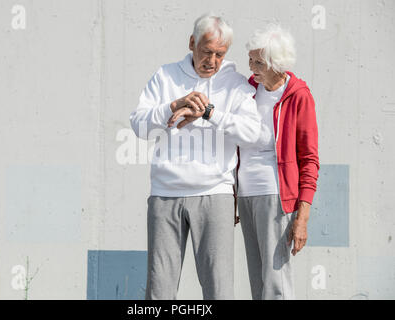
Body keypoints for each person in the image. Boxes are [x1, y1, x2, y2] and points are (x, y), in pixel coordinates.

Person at [130, 14, 261, 300]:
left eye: (219, 54)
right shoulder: (165, 76)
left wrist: (209, 113)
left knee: (218, 287)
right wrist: (172, 106)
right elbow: (138, 124)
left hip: (215, 194)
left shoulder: (235, 85)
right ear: (192, 43)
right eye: (206, 51)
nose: (212, 60)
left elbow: (252, 133)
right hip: (165, 194)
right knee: (159, 288)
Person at [237, 24, 320, 300]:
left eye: (259, 62)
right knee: (257, 280)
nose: (252, 67)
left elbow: (309, 159)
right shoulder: (247, 90)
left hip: (275, 196)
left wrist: (302, 216)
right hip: (246, 195)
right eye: (250, 59)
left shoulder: (298, 96)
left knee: (276, 283)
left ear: (276, 63)